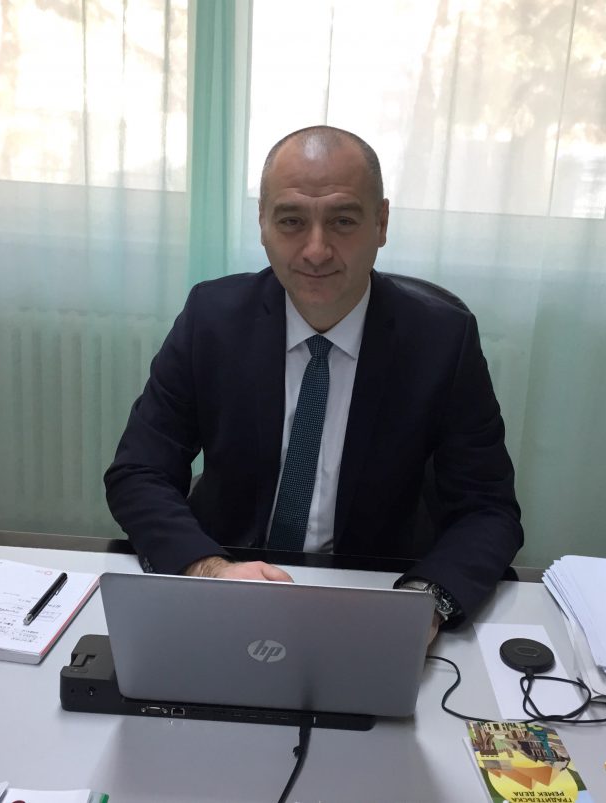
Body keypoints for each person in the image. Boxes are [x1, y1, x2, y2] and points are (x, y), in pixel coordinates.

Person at [104, 125, 522, 636]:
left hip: (369, 594)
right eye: (291, 221)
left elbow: (487, 509)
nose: (316, 250)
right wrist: (208, 569)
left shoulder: (441, 341)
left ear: (381, 222)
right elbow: (139, 471)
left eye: (343, 221)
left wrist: (422, 603)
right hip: (230, 582)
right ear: (263, 223)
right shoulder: (212, 319)